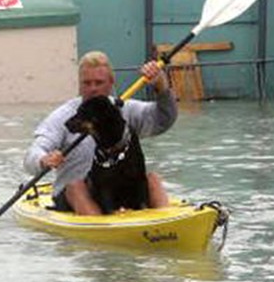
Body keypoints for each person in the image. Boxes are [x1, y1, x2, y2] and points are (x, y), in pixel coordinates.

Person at [23, 50, 177, 215]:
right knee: (77, 186)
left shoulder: (124, 109)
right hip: (74, 196)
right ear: (79, 85)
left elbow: (163, 120)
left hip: (117, 193)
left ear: (111, 83)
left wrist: (161, 86)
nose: (93, 89)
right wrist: (43, 160)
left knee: (152, 179)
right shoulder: (64, 117)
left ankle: (167, 225)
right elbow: (32, 154)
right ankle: (98, 232)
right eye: (87, 83)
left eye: (99, 82)